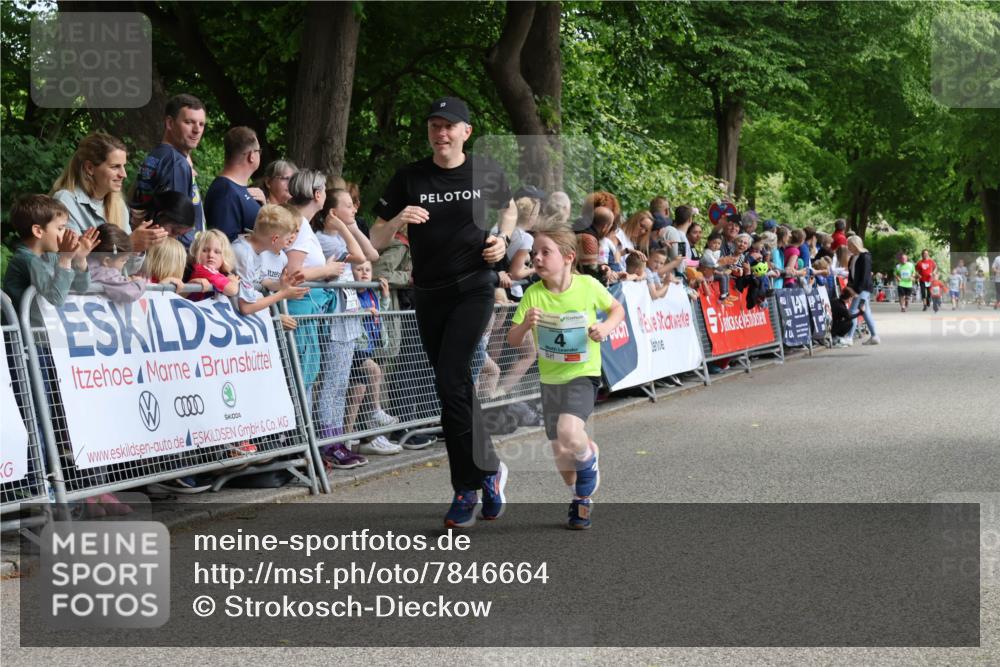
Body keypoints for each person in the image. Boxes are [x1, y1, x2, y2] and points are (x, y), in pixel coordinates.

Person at [370, 96, 516, 527]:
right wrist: (398, 218)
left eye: (449, 126)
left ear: (466, 132)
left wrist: (503, 240)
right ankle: (490, 470)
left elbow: (509, 209)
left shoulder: (486, 171)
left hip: (474, 287)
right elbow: (375, 239)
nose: (441, 133)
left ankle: (466, 488)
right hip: (429, 293)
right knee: (455, 388)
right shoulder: (410, 176)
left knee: (451, 379)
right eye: (435, 125)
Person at [508, 222, 625, 530]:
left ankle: (588, 458)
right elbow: (513, 340)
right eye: (534, 253)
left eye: (545, 252)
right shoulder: (533, 294)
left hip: (582, 373)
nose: (537, 258)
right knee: (560, 450)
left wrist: (604, 327)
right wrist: (525, 325)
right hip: (550, 380)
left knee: (569, 431)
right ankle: (580, 499)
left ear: (569, 257)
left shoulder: (587, 286)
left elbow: (617, 310)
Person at [284, 170, 367, 470]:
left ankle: (316, 448)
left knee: (314, 381)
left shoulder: (302, 224)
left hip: (311, 312)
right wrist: (327, 271)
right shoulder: (299, 225)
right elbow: (290, 274)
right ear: (318, 194)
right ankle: (311, 448)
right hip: (301, 313)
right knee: (308, 382)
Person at [51, 132, 167, 257]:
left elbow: (127, 266)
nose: (123, 174)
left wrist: (138, 249)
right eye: (115, 167)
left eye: (123, 166)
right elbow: (71, 261)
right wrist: (128, 244)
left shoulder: (119, 205)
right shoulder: (66, 201)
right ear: (90, 168)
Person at [132, 94, 207, 246]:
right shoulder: (175, 164)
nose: (197, 130)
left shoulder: (158, 156)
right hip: (174, 254)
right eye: (189, 122)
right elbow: (175, 228)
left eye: (201, 124)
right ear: (170, 123)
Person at [2, 195, 95, 315]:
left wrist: (80, 259)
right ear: (38, 231)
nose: (66, 233)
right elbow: (56, 298)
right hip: (23, 326)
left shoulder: (51, 257)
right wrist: (66, 258)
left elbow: (81, 288)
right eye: (60, 228)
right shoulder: (26, 260)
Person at [230, 203, 308, 323]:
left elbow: (261, 281)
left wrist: (281, 285)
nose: (287, 243)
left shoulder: (258, 250)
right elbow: (246, 307)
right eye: (287, 239)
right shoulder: (244, 254)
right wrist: (282, 294)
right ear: (275, 239)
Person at [205, 126, 265, 241]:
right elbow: (224, 242)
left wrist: (265, 208)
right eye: (259, 151)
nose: (260, 155)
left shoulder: (235, 189)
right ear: (251, 156)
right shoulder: (225, 192)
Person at [87, 224, 147, 304]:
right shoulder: (104, 273)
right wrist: (139, 282)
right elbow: (128, 292)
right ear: (107, 261)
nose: (126, 262)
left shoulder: (85, 263)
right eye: (123, 260)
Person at [186, 229, 240, 302]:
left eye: (217, 252)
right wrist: (234, 282)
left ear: (224, 256)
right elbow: (232, 290)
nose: (211, 255)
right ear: (196, 253)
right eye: (205, 250)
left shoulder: (221, 272)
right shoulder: (202, 270)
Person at [846, 235, 880, 345]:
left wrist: (857, 291)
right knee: (865, 311)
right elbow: (851, 275)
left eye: (849, 245)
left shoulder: (865, 256)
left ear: (855, 245)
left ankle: (849, 337)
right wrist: (849, 287)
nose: (848, 247)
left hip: (863, 289)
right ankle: (874, 336)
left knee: (852, 311)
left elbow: (865, 276)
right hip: (858, 288)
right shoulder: (853, 257)